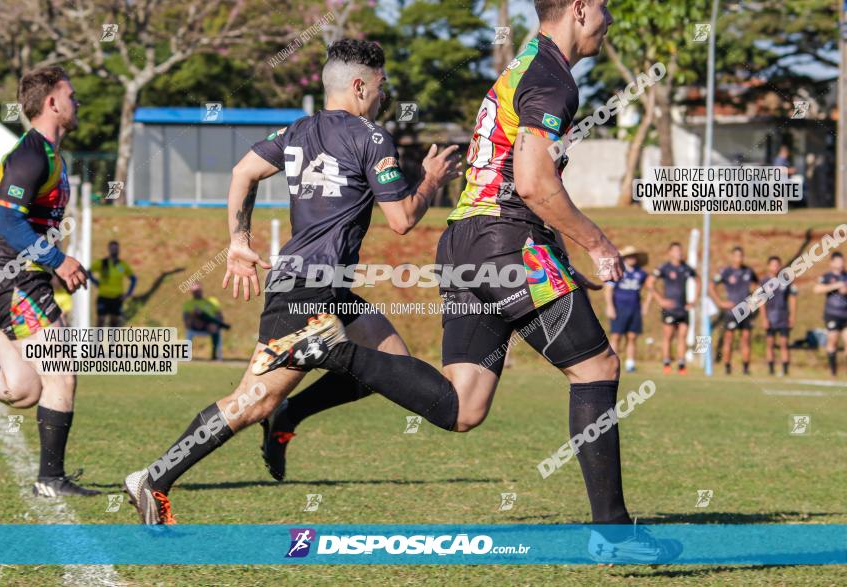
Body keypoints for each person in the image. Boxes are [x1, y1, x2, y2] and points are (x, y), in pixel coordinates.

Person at [256, 1, 679, 563]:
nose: (608, 18)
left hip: (465, 245)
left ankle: (331, 355)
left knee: (463, 407)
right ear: (578, 8)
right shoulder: (549, 77)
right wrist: (596, 244)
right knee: (597, 367)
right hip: (506, 243)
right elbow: (530, 182)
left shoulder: (524, 67)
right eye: (602, 7)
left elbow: (503, 178)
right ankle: (615, 535)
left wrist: (556, 260)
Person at [124, 38, 463, 525]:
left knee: (390, 366)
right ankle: (153, 478)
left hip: (326, 288)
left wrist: (239, 241)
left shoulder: (296, 131)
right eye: (381, 85)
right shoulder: (370, 136)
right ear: (360, 84)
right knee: (250, 402)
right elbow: (403, 218)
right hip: (307, 291)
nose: (384, 94)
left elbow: (243, 172)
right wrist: (430, 179)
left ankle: (289, 415)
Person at [0, 66, 98, 497]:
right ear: (52, 103)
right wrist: (59, 260)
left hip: (11, 279)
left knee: (21, 390)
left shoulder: (50, 155)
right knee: (63, 372)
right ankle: (51, 480)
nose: (77, 102)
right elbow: (8, 222)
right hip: (13, 279)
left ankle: (50, 478)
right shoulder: (30, 154)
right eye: (72, 95)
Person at [647, 243, 697, 375]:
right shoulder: (664, 267)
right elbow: (650, 282)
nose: (678, 253)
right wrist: (660, 300)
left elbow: (698, 280)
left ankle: (681, 365)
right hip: (670, 309)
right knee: (668, 336)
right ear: (669, 253)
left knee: (682, 336)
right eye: (675, 251)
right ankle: (666, 363)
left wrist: (694, 300)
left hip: (683, 308)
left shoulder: (686, 268)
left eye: (680, 250)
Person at [710, 246, 759, 375]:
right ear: (732, 257)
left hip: (746, 311)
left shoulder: (748, 271)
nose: (739, 258)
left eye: (741, 256)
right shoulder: (726, 271)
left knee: (746, 339)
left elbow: (757, 288)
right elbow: (711, 286)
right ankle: (727, 367)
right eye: (737, 256)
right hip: (731, 312)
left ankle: (746, 368)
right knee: (728, 339)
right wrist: (721, 302)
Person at [604, 246, 649, 373]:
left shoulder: (641, 273)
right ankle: (611, 364)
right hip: (619, 308)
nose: (632, 258)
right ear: (624, 258)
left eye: (634, 256)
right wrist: (610, 307)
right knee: (616, 336)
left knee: (632, 336)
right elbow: (608, 290)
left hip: (634, 308)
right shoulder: (618, 271)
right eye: (629, 256)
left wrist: (646, 304)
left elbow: (650, 288)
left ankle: (630, 363)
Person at [759, 256, 797, 377]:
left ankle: (785, 370)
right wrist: (764, 318)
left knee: (784, 343)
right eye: (773, 264)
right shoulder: (764, 282)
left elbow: (792, 299)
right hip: (770, 316)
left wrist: (792, 316)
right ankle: (771, 370)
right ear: (768, 266)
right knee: (770, 343)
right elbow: (761, 301)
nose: (775, 267)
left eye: (777, 264)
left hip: (783, 317)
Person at [813, 252, 847, 376]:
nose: (841, 263)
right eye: (838, 261)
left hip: (846, 314)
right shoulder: (827, 276)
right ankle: (833, 372)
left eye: (842, 261)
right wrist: (835, 286)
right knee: (832, 342)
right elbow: (817, 289)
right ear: (831, 263)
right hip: (833, 314)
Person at [88, 240, 136, 327]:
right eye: (112, 248)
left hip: (117, 298)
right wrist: (96, 282)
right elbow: (89, 272)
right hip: (103, 297)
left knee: (114, 323)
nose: (114, 250)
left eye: (116, 249)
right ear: (109, 249)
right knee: (100, 321)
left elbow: (133, 279)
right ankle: (96, 340)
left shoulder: (122, 265)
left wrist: (128, 293)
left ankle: (112, 341)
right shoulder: (103, 263)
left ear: (119, 250)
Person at [182, 283, 228, 360]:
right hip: (195, 326)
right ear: (191, 292)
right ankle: (186, 355)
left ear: (201, 290)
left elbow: (220, 316)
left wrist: (214, 322)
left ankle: (215, 355)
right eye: (194, 291)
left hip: (210, 325)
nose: (197, 292)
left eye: (198, 290)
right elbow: (186, 321)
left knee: (213, 326)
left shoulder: (212, 301)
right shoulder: (188, 304)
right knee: (197, 313)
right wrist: (193, 317)